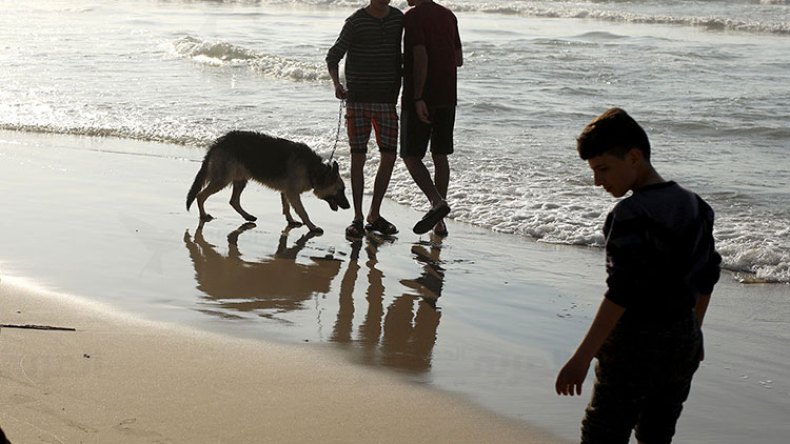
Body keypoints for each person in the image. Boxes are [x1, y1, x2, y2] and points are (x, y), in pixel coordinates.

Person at [555, 108, 722, 444]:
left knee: (603, 432)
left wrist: (582, 356)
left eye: (603, 169)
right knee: (657, 434)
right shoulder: (697, 206)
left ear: (634, 157)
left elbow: (622, 292)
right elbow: (707, 277)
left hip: (634, 346)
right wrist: (694, 332)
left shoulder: (631, 214)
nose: (598, 181)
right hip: (682, 342)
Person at [326, 0, 404, 238]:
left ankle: (374, 214)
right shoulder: (356, 21)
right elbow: (333, 56)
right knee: (358, 158)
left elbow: (407, 52)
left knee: (389, 156)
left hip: (387, 99)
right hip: (357, 99)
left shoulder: (398, 19)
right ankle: (358, 217)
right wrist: (337, 84)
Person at [400, 0, 462, 236]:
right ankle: (439, 222)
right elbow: (458, 59)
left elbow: (420, 55)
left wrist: (417, 97)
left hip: (422, 97)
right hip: (448, 95)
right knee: (440, 155)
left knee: (410, 155)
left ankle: (437, 202)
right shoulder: (448, 15)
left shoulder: (413, 16)